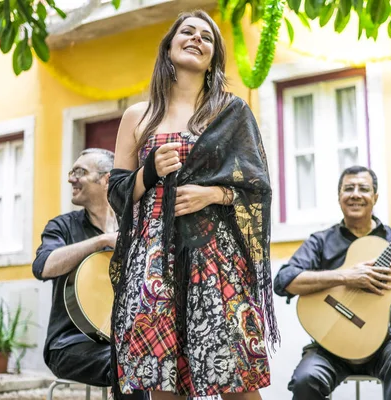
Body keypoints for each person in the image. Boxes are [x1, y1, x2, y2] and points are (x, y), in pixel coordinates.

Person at [107, 10, 279, 400]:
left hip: (216, 257)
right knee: (161, 377)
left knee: (235, 372)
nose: (196, 39)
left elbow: (257, 187)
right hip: (154, 258)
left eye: (207, 37)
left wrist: (214, 194)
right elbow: (117, 192)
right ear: (169, 47)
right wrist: (147, 172)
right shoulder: (139, 115)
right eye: (187, 31)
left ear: (213, 58)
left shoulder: (229, 113)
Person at [274, 165, 391, 400]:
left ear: (375, 197)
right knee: (305, 379)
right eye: (349, 188)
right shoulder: (321, 241)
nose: (356, 194)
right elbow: (284, 281)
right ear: (339, 197)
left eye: (364, 188)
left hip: (386, 342)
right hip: (330, 345)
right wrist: (346, 276)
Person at [32, 148, 146, 400]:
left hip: (125, 337)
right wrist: (101, 242)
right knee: (129, 361)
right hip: (69, 344)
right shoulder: (61, 226)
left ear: (106, 180)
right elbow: (43, 266)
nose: (71, 178)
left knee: (163, 360)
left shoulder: (135, 226)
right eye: (72, 172)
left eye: (80, 172)